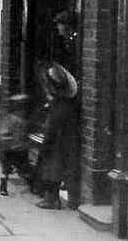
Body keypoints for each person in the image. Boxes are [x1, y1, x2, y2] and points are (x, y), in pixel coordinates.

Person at [35, 63, 80, 210]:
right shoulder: (67, 102)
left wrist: (45, 144)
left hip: (58, 143)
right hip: (65, 141)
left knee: (51, 168)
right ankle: (58, 198)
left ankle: (52, 199)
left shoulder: (60, 105)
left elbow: (51, 128)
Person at [50, 10, 79, 77]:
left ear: (67, 26)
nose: (58, 27)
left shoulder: (75, 42)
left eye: (59, 24)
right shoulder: (62, 41)